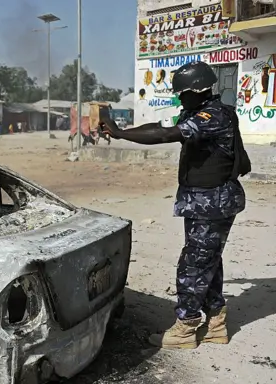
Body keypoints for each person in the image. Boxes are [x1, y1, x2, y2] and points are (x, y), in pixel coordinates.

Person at [99, 61, 251, 349]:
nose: (179, 97)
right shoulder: (199, 111)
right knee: (209, 262)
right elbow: (160, 126)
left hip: (212, 203)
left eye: (182, 93)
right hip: (208, 201)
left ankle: (186, 328)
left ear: (197, 90)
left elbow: (166, 135)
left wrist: (121, 135)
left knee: (192, 266)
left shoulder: (211, 116)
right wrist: (122, 131)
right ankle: (216, 322)